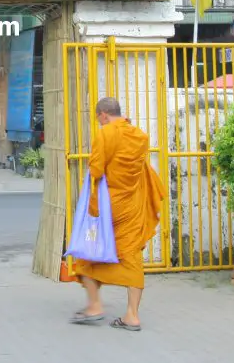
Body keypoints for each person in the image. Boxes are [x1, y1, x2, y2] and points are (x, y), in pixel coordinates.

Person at [69, 96, 167, 332]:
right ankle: (132, 315)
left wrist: (90, 207)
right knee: (131, 257)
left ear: (103, 115)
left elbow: (96, 169)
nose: (99, 123)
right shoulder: (140, 136)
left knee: (87, 254)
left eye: (98, 119)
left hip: (108, 206)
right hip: (132, 205)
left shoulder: (106, 134)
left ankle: (94, 306)